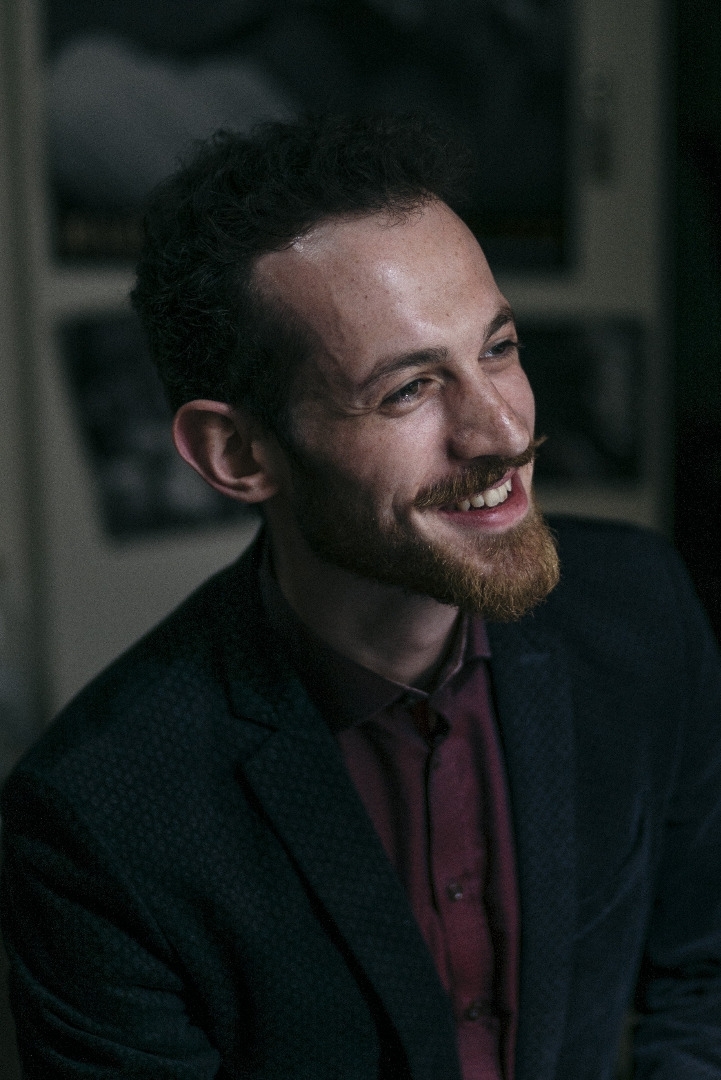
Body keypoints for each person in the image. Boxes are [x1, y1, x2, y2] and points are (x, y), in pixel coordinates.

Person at [2, 114, 721, 1080]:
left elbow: (706, 968)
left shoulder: (639, 606)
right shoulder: (95, 814)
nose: (503, 431)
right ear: (237, 453)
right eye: (408, 389)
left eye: (498, 347)